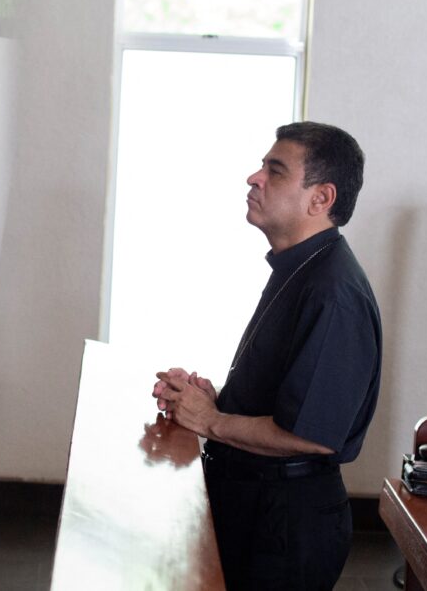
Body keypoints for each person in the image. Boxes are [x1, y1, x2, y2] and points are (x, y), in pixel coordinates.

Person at [152, 121, 381, 590]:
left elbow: (311, 434)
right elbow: (288, 393)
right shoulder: (300, 266)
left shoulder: (333, 291)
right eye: (262, 167)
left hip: (285, 521)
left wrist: (209, 421)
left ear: (321, 198)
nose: (254, 178)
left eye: (275, 171)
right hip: (255, 501)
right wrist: (213, 401)